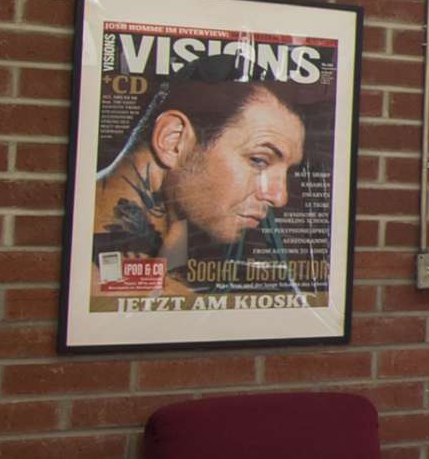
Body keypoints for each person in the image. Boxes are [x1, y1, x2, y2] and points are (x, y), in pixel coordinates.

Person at [84, 74, 317, 302]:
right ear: (174, 141)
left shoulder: (174, 232)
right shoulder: (93, 281)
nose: (279, 197)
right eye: (258, 160)